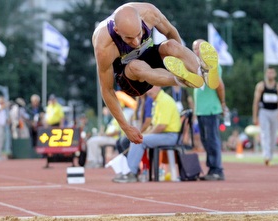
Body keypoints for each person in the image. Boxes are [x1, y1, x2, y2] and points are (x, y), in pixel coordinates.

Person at [92, 2, 219, 144]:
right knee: (136, 65)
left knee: (171, 45)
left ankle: (201, 71)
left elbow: (170, 32)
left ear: (141, 21)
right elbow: (107, 90)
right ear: (116, 30)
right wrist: (126, 127)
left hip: (149, 56)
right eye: (128, 38)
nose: (136, 42)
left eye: (139, 34)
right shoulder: (103, 45)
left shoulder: (149, 12)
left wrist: (179, 58)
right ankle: (181, 80)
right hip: (130, 79)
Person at [113, 86, 181, 183]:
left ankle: (131, 172)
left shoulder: (164, 101)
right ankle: (131, 171)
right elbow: (155, 125)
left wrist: (144, 135)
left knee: (139, 140)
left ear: (158, 87)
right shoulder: (157, 100)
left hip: (169, 135)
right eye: (147, 88)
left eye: (150, 88)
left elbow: (161, 126)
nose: (147, 91)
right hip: (165, 134)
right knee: (137, 139)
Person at [192, 39, 226, 181]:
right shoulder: (197, 66)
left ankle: (217, 169)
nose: (196, 51)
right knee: (206, 141)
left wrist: (223, 103)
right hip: (201, 110)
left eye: (199, 48)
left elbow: (219, 86)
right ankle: (212, 168)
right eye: (194, 49)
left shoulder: (212, 65)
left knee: (212, 140)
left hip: (211, 109)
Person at [252, 67, 278, 166]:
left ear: (275, 74)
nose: (270, 74)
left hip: (275, 112)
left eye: (272, 72)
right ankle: (266, 155)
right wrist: (255, 116)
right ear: (266, 74)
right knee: (265, 133)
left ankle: (270, 154)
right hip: (264, 112)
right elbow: (256, 102)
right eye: (268, 72)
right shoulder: (261, 86)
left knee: (273, 135)